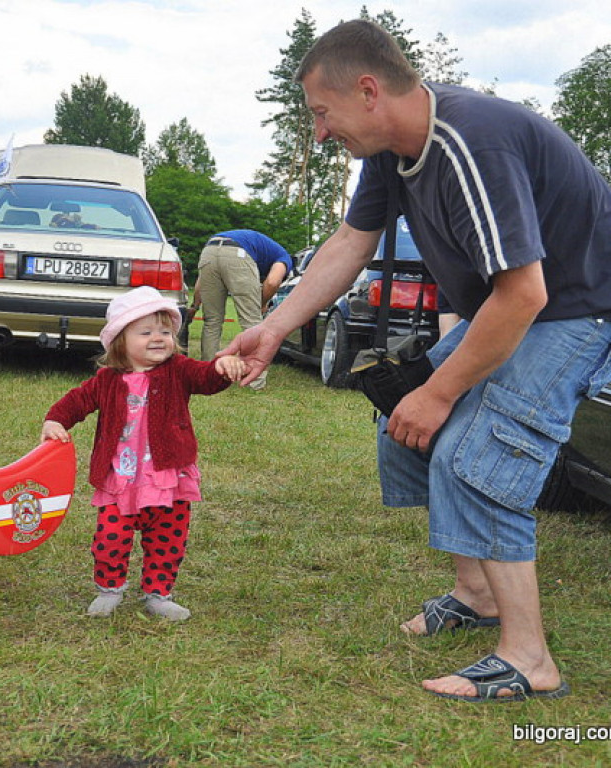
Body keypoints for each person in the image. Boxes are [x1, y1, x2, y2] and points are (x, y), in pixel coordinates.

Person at [223, 19, 611, 702]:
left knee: (475, 446)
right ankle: (477, 594)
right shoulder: (391, 152)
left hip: (576, 307)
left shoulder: (470, 142)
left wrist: (441, 394)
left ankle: (530, 659)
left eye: (321, 113)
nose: (318, 134)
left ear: (369, 90)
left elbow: (525, 292)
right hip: (523, 302)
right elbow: (350, 241)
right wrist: (274, 326)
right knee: (396, 410)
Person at [42, 286, 248, 621]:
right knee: (111, 538)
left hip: (168, 476)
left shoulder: (178, 369)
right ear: (121, 340)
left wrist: (222, 366)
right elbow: (77, 401)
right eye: (146, 332)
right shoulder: (107, 379)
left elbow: (205, 378)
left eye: (166, 331)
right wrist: (55, 419)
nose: (159, 338)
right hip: (119, 479)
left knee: (167, 539)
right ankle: (109, 589)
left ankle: (159, 594)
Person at [191, 229, 292, 390]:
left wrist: (194, 307)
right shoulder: (284, 257)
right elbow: (273, 282)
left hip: (209, 250)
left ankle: (207, 375)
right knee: (252, 323)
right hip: (238, 254)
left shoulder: (261, 246)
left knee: (212, 321)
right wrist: (261, 304)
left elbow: (200, 282)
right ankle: (255, 381)